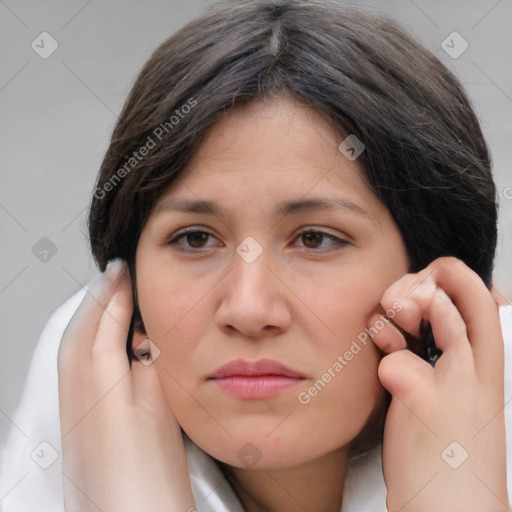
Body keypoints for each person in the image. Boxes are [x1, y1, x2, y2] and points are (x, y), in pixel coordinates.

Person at [1, 1, 511, 511]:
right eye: (196, 239)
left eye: (315, 239)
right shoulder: (88, 374)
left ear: (432, 276)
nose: (248, 310)